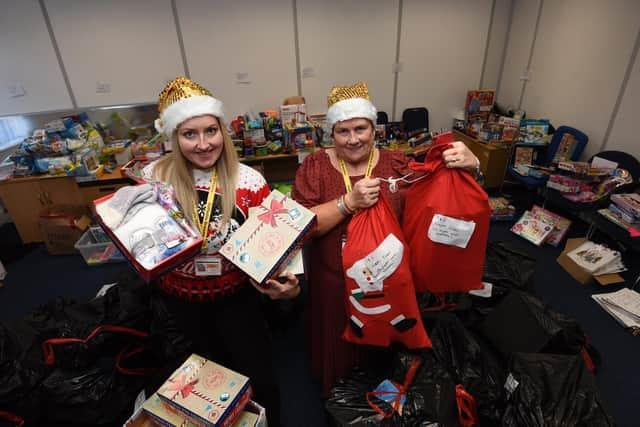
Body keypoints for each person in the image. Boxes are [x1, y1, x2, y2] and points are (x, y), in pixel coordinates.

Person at [291, 81, 480, 395]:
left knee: (381, 356)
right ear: (332, 133)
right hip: (333, 284)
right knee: (338, 350)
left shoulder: (397, 165)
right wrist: (347, 203)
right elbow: (299, 226)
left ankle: (377, 401)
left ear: (374, 128)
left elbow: (440, 199)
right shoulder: (315, 167)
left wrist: (472, 168)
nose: (353, 140)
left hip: (387, 286)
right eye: (343, 131)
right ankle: (339, 401)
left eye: (361, 129)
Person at [144, 76, 300, 426]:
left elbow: (275, 243)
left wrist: (290, 281)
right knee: (199, 384)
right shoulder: (154, 178)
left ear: (222, 132)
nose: (203, 144)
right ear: (174, 137)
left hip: (236, 296)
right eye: (189, 134)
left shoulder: (248, 180)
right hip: (179, 300)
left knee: (258, 376)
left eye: (210, 131)